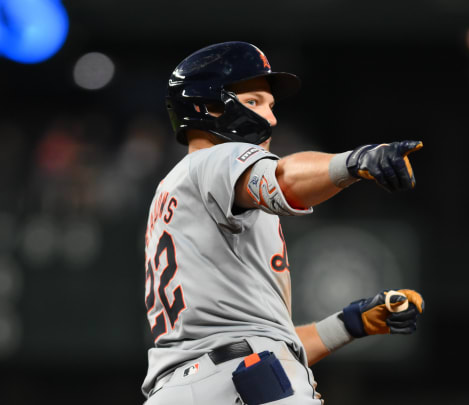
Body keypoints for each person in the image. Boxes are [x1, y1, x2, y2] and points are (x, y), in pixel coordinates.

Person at [142, 41, 425, 404]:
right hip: (236, 380)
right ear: (210, 107)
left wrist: (350, 323)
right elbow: (284, 177)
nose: (271, 119)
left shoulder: (169, 193)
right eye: (254, 102)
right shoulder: (214, 160)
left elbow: (264, 339)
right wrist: (356, 161)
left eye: (271, 106)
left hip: (186, 387)